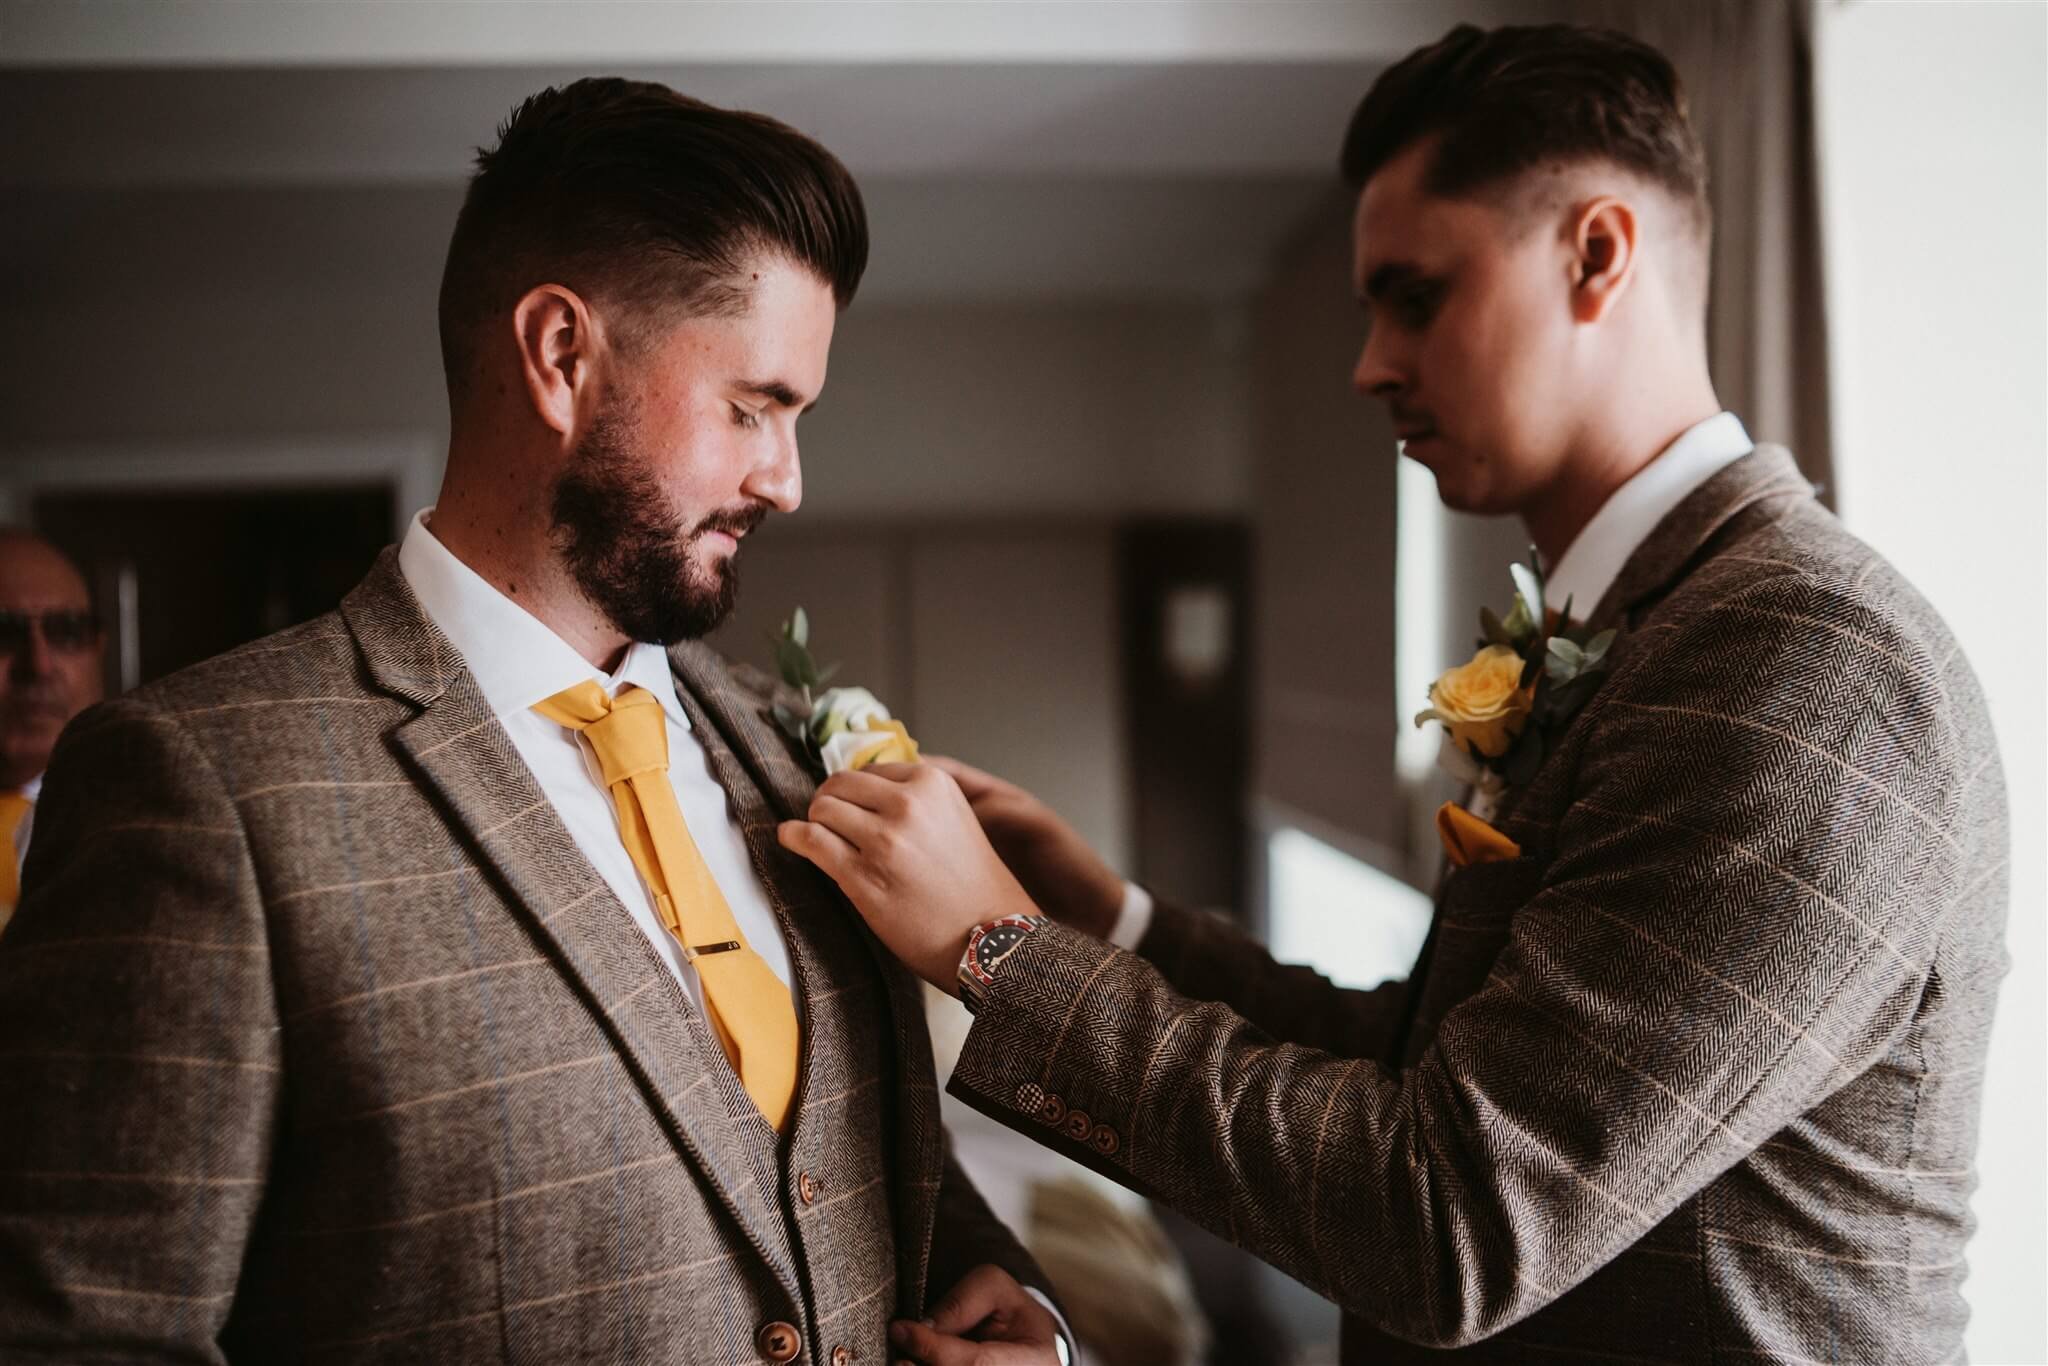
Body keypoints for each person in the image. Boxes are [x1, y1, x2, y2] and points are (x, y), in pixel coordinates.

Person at [779, 24, 2007, 1363]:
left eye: (1415, 297)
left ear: (1597, 254)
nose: (1367, 363)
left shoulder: (1802, 658)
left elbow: (1454, 1215)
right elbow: (1434, 1067)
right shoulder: (1655, 626)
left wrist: (1001, 953)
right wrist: (1108, 918)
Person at [0, 79, 1065, 1365]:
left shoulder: (786, 748)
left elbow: (853, 1167)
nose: (786, 479)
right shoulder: (200, 789)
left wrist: (1029, 1319)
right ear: (561, 356)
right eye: (751, 407)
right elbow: (86, 1336)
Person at [0, 529, 104, 935]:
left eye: (67, 631)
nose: (39, 665)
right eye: (4, 634)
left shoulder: (151, 815)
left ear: (99, 649)